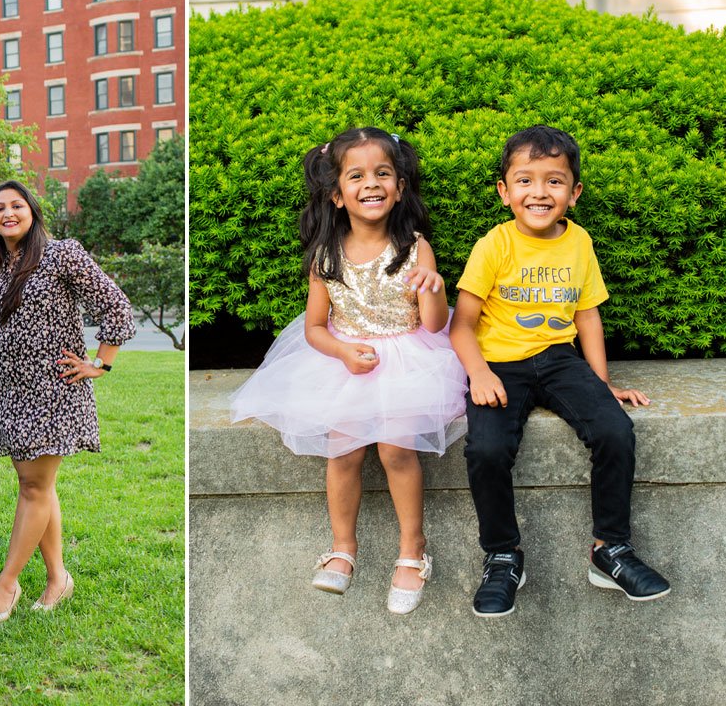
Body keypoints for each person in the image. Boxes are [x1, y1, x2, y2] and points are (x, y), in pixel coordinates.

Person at [230, 127, 467, 614]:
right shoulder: (326, 255)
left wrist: (435, 286)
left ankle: (412, 549)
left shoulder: (415, 247)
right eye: (356, 175)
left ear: (399, 186)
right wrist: (342, 352)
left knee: (397, 448)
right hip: (346, 363)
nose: (371, 183)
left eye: (382, 172)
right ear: (338, 195)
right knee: (343, 451)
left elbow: (434, 323)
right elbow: (316, 327)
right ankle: (343, 548)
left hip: (409, 362)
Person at [450, 124, 670, 618]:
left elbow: (587, 315)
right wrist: (479, 374)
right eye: (525, 180)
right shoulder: (495, 245)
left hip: (558, 359)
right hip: (500, 362)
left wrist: (603, 382)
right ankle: (503, 555)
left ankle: (609, 550)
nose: (540, 192)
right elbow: (461, 324)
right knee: (487, 448)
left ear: (574, 193)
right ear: (505, 192)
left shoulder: (579, 242)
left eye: (554, 181)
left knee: (615, 431)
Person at [0, 179, 135, 623]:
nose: (7, 213)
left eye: (16, 205)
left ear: (32, 211)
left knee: (34, 487)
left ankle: (6, 584)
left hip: (53, 389)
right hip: (8, 392)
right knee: (36, 487)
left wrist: (100, 363)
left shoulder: (61, 254)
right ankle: (58, 578)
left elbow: (116, 306)